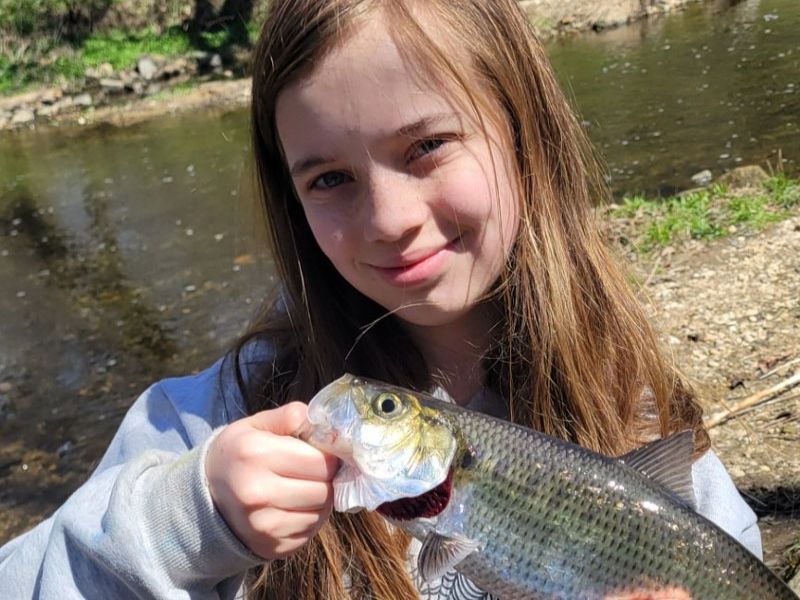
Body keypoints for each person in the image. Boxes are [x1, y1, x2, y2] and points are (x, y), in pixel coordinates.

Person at [1, 1, 762, 599]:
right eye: (329, 178)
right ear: (290, 201)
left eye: (426, 146)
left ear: (525, 136)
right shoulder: (209, 424)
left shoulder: (639, 404)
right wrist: (188, 521)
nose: (391, 219)